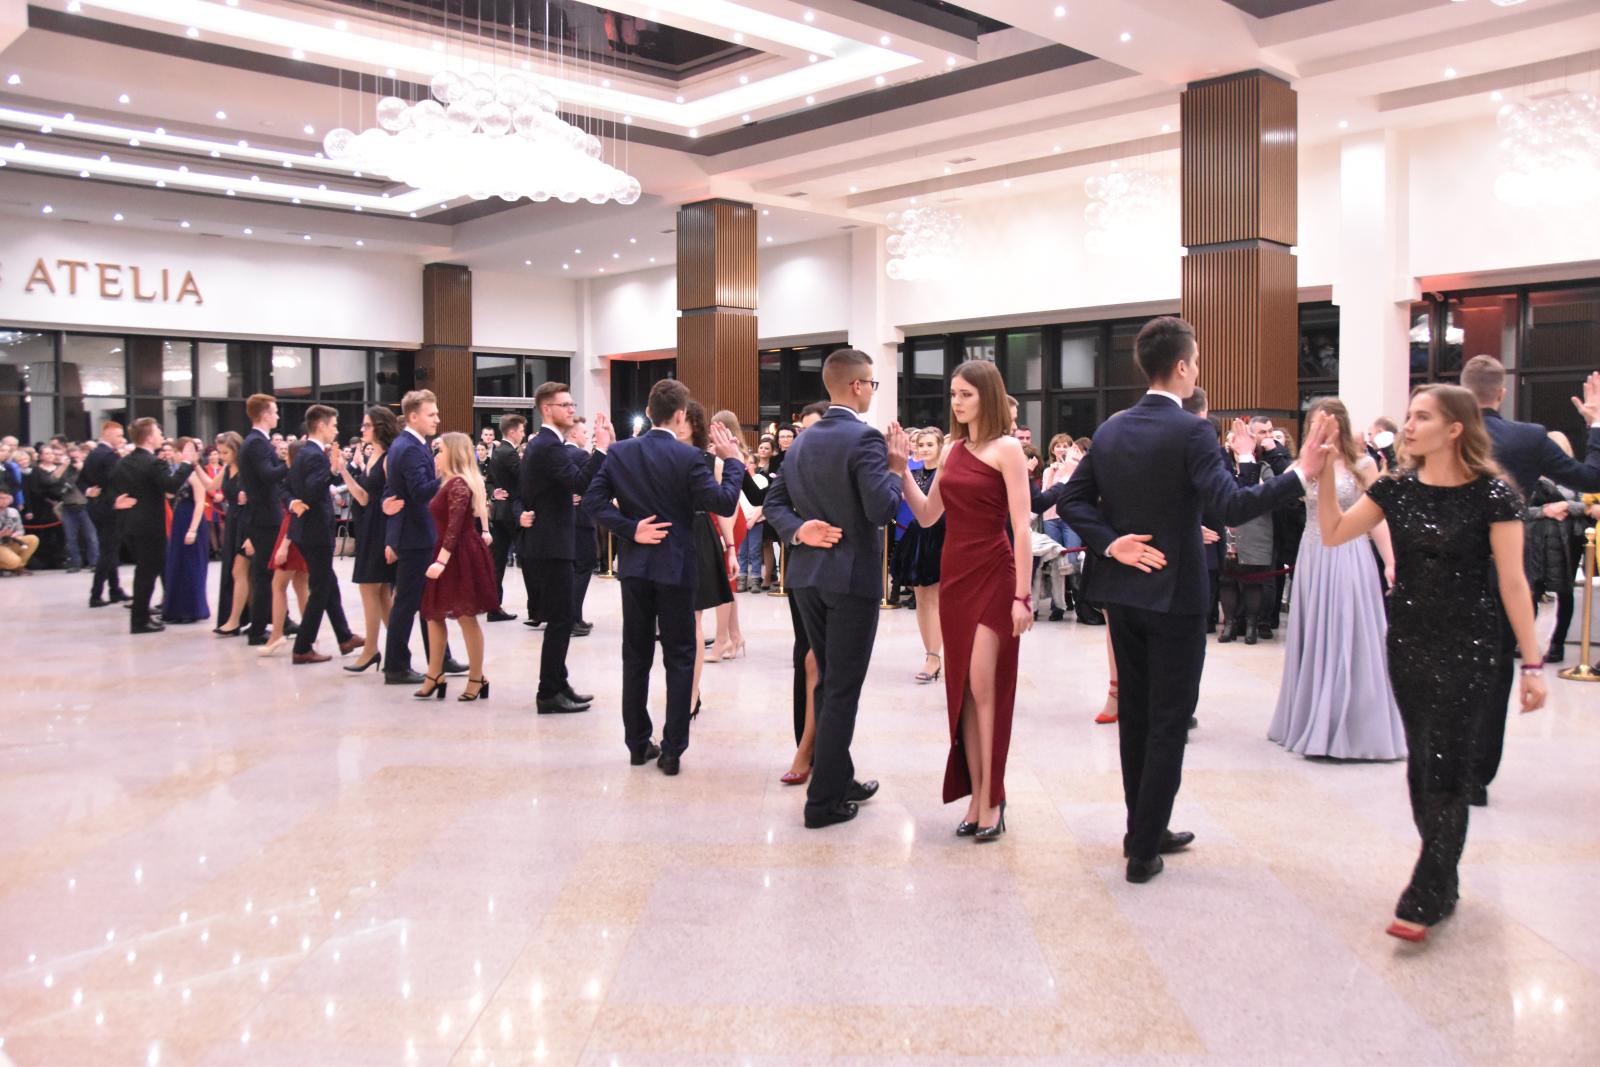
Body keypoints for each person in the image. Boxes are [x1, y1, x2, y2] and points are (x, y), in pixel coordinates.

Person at [1058, 316, 1310, 884]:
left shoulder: (1112, 428)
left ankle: (1143, 827)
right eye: (1194, 361)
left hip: (1123, 592)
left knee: (1136, 716)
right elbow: (1232, 506)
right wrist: (1299, 475)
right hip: (1175, 597)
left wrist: (1111, 544)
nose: (1196, 369)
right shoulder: (1192, 432)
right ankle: (1144, 847)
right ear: (1181, 367)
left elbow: (1071, 501)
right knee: (1169, 719)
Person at [1306, 386, 1546, 942]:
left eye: (1422, 417)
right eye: (1409, 415)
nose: (1409, 426)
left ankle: (1426, 890)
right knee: (1422, 762)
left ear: (1455, 428)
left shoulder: (1494, 496)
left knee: (1448, 764)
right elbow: (1335, 533)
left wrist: (1533, 665)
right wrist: (1325, 476)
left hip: (1471, 644)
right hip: (1409, 642)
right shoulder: (1395, 489)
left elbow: (1514, 583)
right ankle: (1445, 875)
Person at [763, 349, 909, 828]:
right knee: (842, 687)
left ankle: (838, 776)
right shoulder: (864, 439)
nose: (872, 392)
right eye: (872, 384)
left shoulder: (802, 440)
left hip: (807, 577)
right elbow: (880, 510)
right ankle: (822, 803)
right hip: (850, 579)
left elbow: (774, 503)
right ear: (856, 386)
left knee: (829, 680)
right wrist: (895, 469)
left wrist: (798, 530)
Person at [582, 379, 745, 774]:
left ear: (649, 412)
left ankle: (638, 744)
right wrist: (734, 462)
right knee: (680, 656)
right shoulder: (689, 457)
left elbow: (592, 501)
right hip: (677, 567)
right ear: (679, 415)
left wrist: (630, 529)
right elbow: (724, 502)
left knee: (635, 656)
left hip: (636, 568)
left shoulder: (620, 452)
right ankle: (672, 750)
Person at [1459, 357, 1600, 805]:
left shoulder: (1446, 433)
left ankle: (1444, 765)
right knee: (1497, 671)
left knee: (1449, 666)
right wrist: (1596, 425)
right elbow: (1591, 477)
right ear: (1502, 394)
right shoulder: (1528, 438)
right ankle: (1476, 778)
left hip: (1448, 567)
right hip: (1505, 568)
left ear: (1463, 389)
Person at [901, 363, 1033, 841]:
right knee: (963, 694)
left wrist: (1023, 595)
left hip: (994, 573)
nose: (956, 402)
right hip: (955, 577)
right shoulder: (952, 450)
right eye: (954, 394)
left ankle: (993, 796)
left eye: (966, 394)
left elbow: (1022, 527)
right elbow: (927, 514)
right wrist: (901, 472)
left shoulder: (1008, 449)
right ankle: (977, 795)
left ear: (987, 397)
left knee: (983, 686)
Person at [1267, 398, 1405, 761]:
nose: (1322, 431)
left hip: (1349, 554)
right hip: (1312, 555)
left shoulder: (1363, 464)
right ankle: (1311, 717)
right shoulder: (1302, 466)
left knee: (1347, 628)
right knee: (1314, 631)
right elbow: (1270, 496)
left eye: (1327, 424)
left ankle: (1352, 722)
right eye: (1315, 425)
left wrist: (1391, 561)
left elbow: (1378, 519)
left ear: (1341, 426)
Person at [518, 382, 612, 713]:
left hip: (550, 540)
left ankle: (559, 683)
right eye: (565, 405)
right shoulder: (548, 445)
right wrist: (602, 449)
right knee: (560, 620)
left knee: (561, 617)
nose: (572, 410)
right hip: (551, 543)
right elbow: (579, 482)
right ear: (547, 409)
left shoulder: (545, 444)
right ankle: (548, 692)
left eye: (572, 405)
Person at [381, 390, 462, 685]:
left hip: (417, 532)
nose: (437, 419)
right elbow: (419, 492)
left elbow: (397, 489)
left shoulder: (410, 444)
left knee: (428, 599)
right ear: (413, 416)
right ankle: (396, 666)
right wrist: (445, 475)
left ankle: (440, 657)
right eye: (432, 414)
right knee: (408, 602)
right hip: (415, 535)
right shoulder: (410, 448)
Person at [416, 433, 501, 701]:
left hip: (459, 554)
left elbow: (454, 527)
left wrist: (441, 561)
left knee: (465, 616)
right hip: (448, 550)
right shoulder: (449, 482)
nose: (436, 456)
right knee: (433, 614)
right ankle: (434, 674)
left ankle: (476, 677)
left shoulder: (459, 485)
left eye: (440, 451)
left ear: (452, 453)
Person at [285, 405, 362, 664]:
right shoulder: (315, 455)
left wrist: (292, 502)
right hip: (315, 531)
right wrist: (331, 471)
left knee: (328, 584)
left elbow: (287, 487)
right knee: (320, 589)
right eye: (334, 425)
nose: (336, 430)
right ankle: (302, 647)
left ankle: (344, 637)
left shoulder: (303, 452)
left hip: (307, 530)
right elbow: (310, 490)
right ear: (321, 426)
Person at [110, 418, 194, 633]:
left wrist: (116, 502)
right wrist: (186, 463)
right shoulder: (152, 462)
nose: (161, 436)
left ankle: (142, 616)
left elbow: (113, 488)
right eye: (158, 432)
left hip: (129, 523)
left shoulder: (123, 462)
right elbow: (172, 486)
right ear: (148, 437)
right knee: (147, 573)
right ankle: (139, 620)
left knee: (144, 571)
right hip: (149, 525)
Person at [341, 406, 399, 673]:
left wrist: (392, 539)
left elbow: (394, 497)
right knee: (381, 593)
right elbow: (364, 497)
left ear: (379, 427)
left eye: (366, 425)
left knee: (369, 587)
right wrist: (343, 471)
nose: (362, 429)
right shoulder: (373, 454)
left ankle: (371, 650)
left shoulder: (388, 457)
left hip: (382, 528)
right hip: (369, 526)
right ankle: (397, 651)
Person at [894, 429, 947, 683]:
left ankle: (934, 656)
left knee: (935, 599)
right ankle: (930, 653)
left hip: (941, 535)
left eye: (929, 445)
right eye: (921, 445)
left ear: (940, 447)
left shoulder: (945, 474)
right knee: (922, 598)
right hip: (918, 536)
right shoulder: (914, 474)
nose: (924, 449)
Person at [238, 395, 289, 647]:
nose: (277, 416)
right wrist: (289, 463)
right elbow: (268, 475)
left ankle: (281, 620)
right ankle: (258, 629)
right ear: (265, 415)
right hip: (265, 517)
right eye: (275, 411)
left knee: (269, 573)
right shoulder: (257, 443)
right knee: (265, 574)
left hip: (263, 514)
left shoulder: (256, 441)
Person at [260, 442, 312, 657]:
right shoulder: (304, 478)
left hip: (291, 534)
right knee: (301, 585)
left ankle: (277, 634)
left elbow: (295, 513)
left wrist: (284, 544)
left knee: (279, 585)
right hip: (301, 534)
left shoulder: (294, 478)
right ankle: (308, 634)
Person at [705, 409, 748, 664]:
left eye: (718, 427)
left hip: (727, 519)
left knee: (724, 582)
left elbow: (730, 500)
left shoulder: (733, 455)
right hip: (717, 516)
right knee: (726, 583)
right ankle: (734, 635)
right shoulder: (715, 453)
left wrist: (727, 536)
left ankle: (722, 640)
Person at [160, 437, 217, 624]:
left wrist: (192, 529)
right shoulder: (177, 472)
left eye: (181, 451)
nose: (177, 455)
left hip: (192, 518)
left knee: (191, 566)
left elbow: (200, 502)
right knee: (176, 563)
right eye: (179, 451)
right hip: (179, 518)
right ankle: (175, 609)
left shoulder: (194, 472)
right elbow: (169, 494)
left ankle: (191, 610)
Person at [484, 413, 525, 622]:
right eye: (521, 430)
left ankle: (493, 606)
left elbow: (489, 481)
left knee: (497, 561)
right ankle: (537, 607)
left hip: (499, 512)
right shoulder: (509, 453)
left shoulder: (498, 452)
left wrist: (493, 494)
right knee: (526, 557)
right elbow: (524, 480)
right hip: (511, 513)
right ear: (512, 431)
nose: (523, 434)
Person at [81, 421, 127, 606]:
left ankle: (115, 590)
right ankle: (96, 594)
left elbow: (80, 480)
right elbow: (115, 481)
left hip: (96, 507)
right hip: (109, 508)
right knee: (108, 551)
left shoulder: (93, 453)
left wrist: (88, 491)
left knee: (110, 548)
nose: (122, 439)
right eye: (118, 435)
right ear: (107, 434)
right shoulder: (109, 455)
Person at [213, 433, 253, 637]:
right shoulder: (227, 468)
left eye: (225, 452)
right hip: (233, 522)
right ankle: (248, 618)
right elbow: (211, 486)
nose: (222, 456)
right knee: (240, 574)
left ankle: (234, 620)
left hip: (246, 523)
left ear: (236, 450)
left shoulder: (247, 470)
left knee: (239, 571)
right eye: (220, 453)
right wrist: (192, 466)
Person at [567, 418, 599, 636]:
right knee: (584, 567)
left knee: (571, 569)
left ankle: (574, 616)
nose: (587, 436)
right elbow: (593, 483)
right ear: (573, 434)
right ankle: (573, 618)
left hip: (563, 521)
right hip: (581, 519)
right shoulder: (580, 455)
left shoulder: (557, 454)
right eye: (584, 432)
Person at [0, 488, 36, 575]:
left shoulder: (13, 512)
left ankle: (19, 567)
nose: (4, 501)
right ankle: (12, 565)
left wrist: (15, 535)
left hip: (10, 541)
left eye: (6, 498)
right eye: (1, 498)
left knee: (32, 539)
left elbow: (20, 530)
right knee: (15, 561)